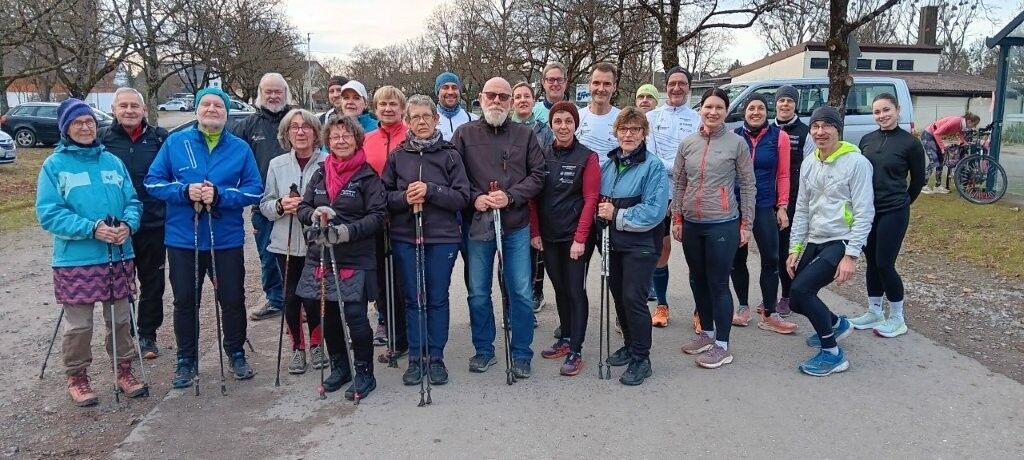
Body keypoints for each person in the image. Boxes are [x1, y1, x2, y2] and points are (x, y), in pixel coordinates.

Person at [145, 87, 264, 389]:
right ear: (197, 110)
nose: (212, 110)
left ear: (226, 113)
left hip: (225, 238)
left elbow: (254, 189)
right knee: (186, 300)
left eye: (218, 106)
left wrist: (221, 195)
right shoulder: (175, 142)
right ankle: (187, 359)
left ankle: (235, 350)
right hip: (184, 238)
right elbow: (153, 183)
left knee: (233, 298)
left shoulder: (239, 148)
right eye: (206, 105)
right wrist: (184, 191)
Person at [37, 98, 146, 406]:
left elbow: (133, 201)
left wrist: (128, 224)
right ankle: (78, 376)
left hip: (119, 254)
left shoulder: (112, 161)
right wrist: (91, 228)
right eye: (77, 123)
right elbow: (49, 213)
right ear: (65, 129)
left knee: (121, 319)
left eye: (88, 122)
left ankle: (123, 369)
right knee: (79, 325)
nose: (85, 127)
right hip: (76, 258)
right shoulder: (54, 165)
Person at [451, 77, 545, 378]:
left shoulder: (525, 134)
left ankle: (521, 353)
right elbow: (453, 177)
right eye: (491, 95)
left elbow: (538, 175)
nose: (497, 101)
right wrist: (473, 197)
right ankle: (484, 349)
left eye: (503, 97)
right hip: (478, 227)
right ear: (480, 97)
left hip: (515, 225)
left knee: (519, 291)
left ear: (510, 101)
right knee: (478, 291)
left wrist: (511, 196)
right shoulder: (464, 134)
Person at [381, 95, 471, 386]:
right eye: (415, 117)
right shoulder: (398, 155)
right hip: (406, 236)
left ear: (436, 119)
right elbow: (384, 197)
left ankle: (436, 357)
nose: (421, 122)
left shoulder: (449, 154)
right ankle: (416, 357)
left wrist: (431, 190)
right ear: (408, 120)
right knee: (413, 297)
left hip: (441, 237)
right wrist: (404, 197)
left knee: (436, 297)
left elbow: (462, 196)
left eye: (426, 116)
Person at [295, 115, 386, 400]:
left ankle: (364, 373)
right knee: (328, 316)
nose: (341, 141)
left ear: (357, 139)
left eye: (346, 135)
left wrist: (348, 231)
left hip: (355, 256)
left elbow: (379, 216)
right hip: (321, 254)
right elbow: (303, 207)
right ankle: (340, 367)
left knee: (355, 316)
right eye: (335, 137)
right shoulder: (321, 172)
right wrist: (314, 216)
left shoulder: (367, 176)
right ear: (328, 141)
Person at [786, 106, 874, 377]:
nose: (820, 132)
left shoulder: (857, 163)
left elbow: (864, 210)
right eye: (815, 127)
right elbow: (802, 207)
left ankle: (833, 354)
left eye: (827, 126)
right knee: (795, 301)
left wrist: (851, 255)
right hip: (815, 237)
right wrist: (795, 248)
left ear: (838, 129)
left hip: (841, 239)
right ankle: (836, 324)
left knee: (802, 291)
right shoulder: (810, 161)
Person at [672, 88, 755, 370]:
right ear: (701, 109)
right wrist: (677, 218)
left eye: (719, 107)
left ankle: (722, 345)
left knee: (718, 283)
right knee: (697, 280)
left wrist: (746, 224)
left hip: (723, 223)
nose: (713, 112)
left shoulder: (736, 144)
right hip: (692, 223)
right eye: (708, 106)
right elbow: (680, 182)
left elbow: (747, 185)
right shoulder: (688, 143)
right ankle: (706, 334)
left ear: (726, 111)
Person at [599, 107, 669, 385]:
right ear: (616, 132)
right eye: (624, 129)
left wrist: (617, 215)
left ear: (644, 133)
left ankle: (642, 358)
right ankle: (630, 345)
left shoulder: (653, 167)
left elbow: (654, 211)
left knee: (634, 298)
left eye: (635, 129)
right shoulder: (609, 164)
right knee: (619, 296)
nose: (628, 134)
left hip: (641, 244)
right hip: (614, 243)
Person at [531, 101, 600, 376]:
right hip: (549, 235)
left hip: (576, 238)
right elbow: (533, 199)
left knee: (574, 290)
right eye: (557, 121)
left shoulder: (588, 157)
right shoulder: (541, 154)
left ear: (575, 124)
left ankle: (576, 349)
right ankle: (566, 336)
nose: (563, 126)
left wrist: (581, 237)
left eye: (568, 121)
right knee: (559, 289)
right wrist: (535, 232)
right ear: (551, 124)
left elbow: (591, 199)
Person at [101, 87, 169, 359]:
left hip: (153, 222)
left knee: (152, 282)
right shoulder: (102, 140)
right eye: (123, 106)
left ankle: (147, 334)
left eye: (134, 106)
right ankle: (124, 335)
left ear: (144, 110)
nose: (129, 111)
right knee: (121, 284)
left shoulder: (160, 139)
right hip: (117, 227)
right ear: (114, 110)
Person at [850, 94, 925, 338]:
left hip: (894, 210)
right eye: (877, 112)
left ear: (898, 110)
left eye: (886, 110)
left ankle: (897, 317)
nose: (882, 115)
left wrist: (902, 201)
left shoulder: (910, 144)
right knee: (871, 262)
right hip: (869, 211)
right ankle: (874, 311)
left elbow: (918, 181)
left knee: (884, 263)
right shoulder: (867, 140)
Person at [259, 109, 328, 374]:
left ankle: (316, 344)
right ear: (287, 134)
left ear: (315, 132)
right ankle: (297, 348)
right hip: (284, 242)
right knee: (290, 297)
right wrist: (280, 205)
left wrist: (313, 208)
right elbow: (264, 203)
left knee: (315, 296)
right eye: (294, 128)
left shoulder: (326, 161)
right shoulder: (277, 164)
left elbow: (333, 199)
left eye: (306, 127)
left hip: (315, 241)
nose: (300, 132)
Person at [728, 93, 799, 334]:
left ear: (766, 111)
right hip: (737, 205)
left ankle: (769, 312)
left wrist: (782, 206)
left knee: (771, 259)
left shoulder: (779, 137)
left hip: (765, 204)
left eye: (760, 108)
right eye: (751, 108)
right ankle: (743, 306)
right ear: (744, 112)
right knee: (738, 259)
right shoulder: (734, 136)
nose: (756, 112)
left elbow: (784, 174)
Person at [233, 72, 294, 321]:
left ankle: (299, 301)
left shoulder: (295, 120)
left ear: (285, 93)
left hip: (295, 200)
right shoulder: (248, 125)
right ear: (260, 93)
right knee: (268, 255)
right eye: (268, 91)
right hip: (263, 202)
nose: (273, 96)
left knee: (298, 254)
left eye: (277, 91)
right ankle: (275, 299)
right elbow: (235, 162)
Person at [645, 66, 700, 328]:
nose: (676, 88)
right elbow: (650, 157)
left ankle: (701, 310)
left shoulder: (698, 119)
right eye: (672, 83)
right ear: (664, 86)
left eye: (682, 83)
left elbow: (700, 158)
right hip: (660, 193)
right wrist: (678, 167)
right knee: (662, 249)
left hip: (690, 195)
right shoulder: (653, 117)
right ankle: (662, 305)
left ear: (689, 87)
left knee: (694, 252)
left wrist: (681, 168)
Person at [364, 85, 410, 361]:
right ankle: (394, 334)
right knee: (381, 281)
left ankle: (409, 335)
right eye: (383, 104)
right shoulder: (367, 139)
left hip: (403, 216)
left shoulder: (410, 136)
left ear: (402, 108)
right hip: (374, 217)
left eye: (393, 104)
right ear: (376, 108)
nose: (388, 109)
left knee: (404, 281)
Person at [772, 85, 815, 318]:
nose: (785, 104)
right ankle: (771, 295)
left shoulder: (805, 132)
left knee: (786, 249)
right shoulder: (768, 130)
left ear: (796, 104)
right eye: (781, 101)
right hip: (770, 196)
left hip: (794, 198)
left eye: (789, 100)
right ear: (776, 104)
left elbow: (810, 167)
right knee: (772, 251)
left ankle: (787, 296)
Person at [511, 81, 553, 314]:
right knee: (518, 250)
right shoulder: (505, 127)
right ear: (512, 102)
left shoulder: (544, 130)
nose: (522, 100)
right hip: (514, 196)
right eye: (518, 97)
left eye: (527, 96)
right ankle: (517, 298)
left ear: (533, 100)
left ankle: (537, 292)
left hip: (538, 193)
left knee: (537, 246)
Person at [920, 112, 981, 194]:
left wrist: (964, 143)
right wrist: (942, 148)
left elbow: (960, 135)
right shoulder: (956, 121)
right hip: (929, 135)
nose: (975, 127)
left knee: (941, 161)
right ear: (969, 121)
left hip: (937, 137)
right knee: (934, 161)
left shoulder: (963, 125)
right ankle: (923, 185)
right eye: (974, 124)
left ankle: (937, 186)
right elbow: (937, 133)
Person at [577, 63, 621, 166]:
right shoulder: (577, 117)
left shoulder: (622, 119)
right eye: (596, 83)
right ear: (589, 85)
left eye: (607, 84)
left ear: (614, 87)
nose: (601, 89)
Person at [435, 71, 478, 141]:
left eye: (454, 87)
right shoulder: (429, 121)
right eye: (445, 87)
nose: (450, 92)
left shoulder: (473, 120)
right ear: (437, 92)